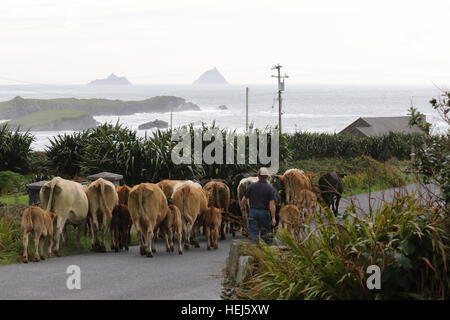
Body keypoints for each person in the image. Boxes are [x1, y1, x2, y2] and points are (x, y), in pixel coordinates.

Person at [241, 167, 277, 245]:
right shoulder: (270, 188)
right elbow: (272, 204)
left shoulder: (252, 186)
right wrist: (273, 217)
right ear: (267, 176)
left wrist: (243, 207)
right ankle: (266, 253)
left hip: (253, 212)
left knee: (253, 233)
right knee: (266, 234)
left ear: (258, 175)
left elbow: (244, 199)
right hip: (265, 213)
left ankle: (254, 252)